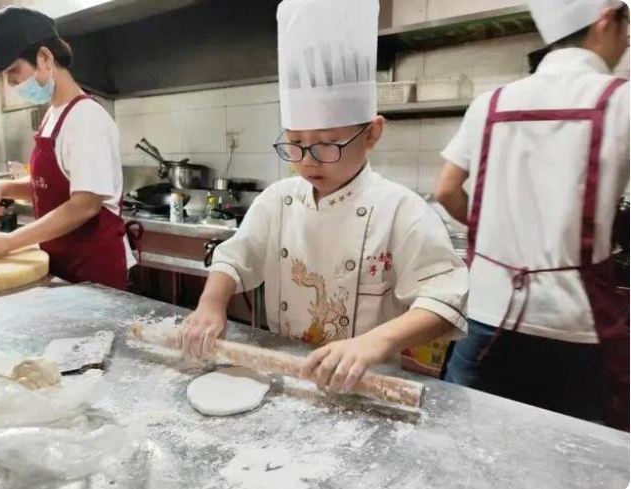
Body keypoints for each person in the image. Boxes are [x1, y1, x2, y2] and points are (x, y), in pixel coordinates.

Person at [180, 0, 468, 392]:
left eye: (327, 144)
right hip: (286, 375)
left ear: (372, 133)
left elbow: (445, 298)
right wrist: (211, 303)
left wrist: (376, 342)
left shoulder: (401, 210)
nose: (307, 161)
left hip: (366, 385)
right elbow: (234, 258)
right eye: (295, 144)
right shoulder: (278, 200)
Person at [434, 0, 629, 430]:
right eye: (627, 25)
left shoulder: (490, 103)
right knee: (576, 455)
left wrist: (499, 239)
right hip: (573, 327)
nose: (627, 38)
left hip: (487, 316)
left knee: (466, 443)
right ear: (604, 20)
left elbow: (446, 190)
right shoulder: (622, 101)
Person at [0, 6, 134, 290]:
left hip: (93, 274)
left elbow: (85, 204)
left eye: (13, 71)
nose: (11, 82)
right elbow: (50, 185)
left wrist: (9, 242)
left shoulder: (86, 118)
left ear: (45, 58)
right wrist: (2, 188)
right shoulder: (53, 114)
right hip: (63, 266)